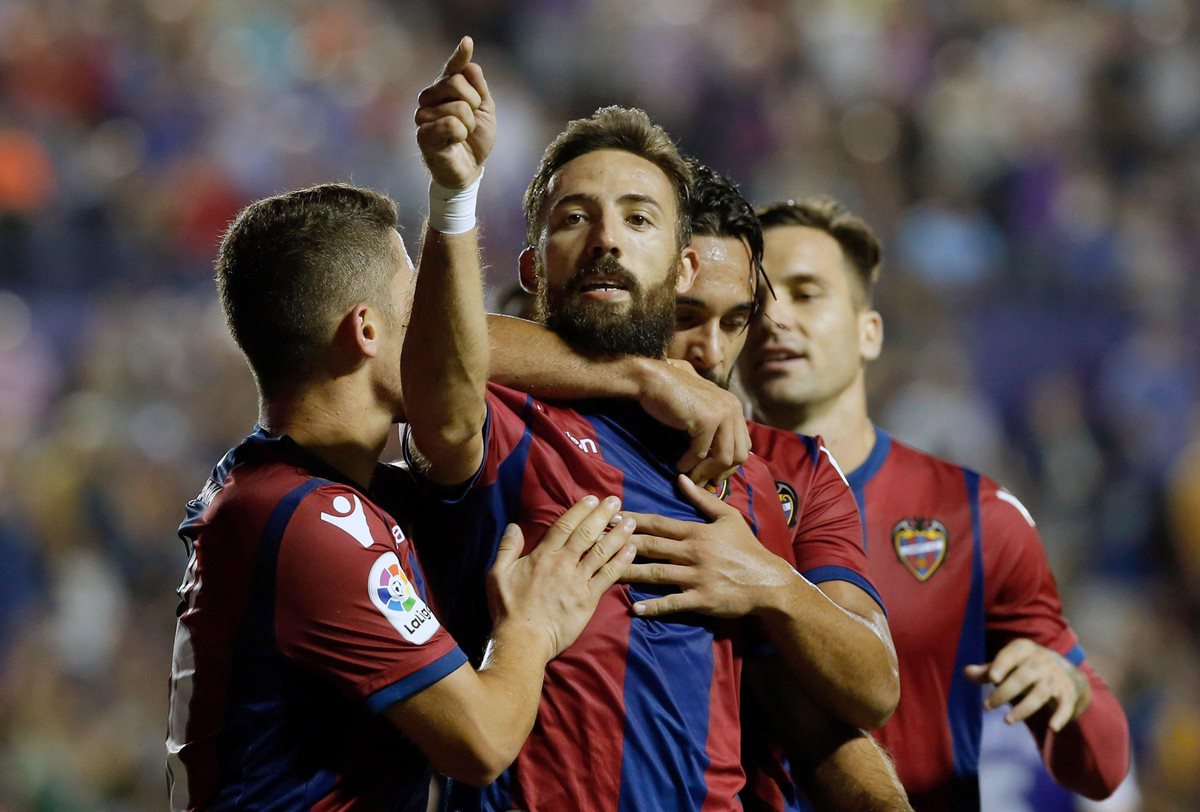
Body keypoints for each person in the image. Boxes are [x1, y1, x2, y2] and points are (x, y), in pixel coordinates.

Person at [164, 38, 636, 811]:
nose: (444, 335)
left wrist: (645, 375)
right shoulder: (313, 523)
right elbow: (480, 742)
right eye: (419, 310)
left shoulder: (286, 492)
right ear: (366, 331)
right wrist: (533, 626)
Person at [401, 97, 901, 808]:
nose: (607, 239)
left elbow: (833, 718)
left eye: (638, 219)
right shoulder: (504, 421)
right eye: (575, 218)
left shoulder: (753, 478)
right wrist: (454, 195)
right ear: (533, 268)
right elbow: (418, 362)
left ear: (680, 264)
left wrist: (768, 581)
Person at [737, 196, 1131, 811]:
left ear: (869, 332)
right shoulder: (690, 493)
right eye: (754, 302)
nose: (776, 318)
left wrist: (1071, 687)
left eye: (806, 293)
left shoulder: (977, 515)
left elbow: (1103, 769)